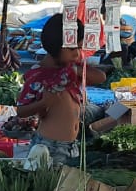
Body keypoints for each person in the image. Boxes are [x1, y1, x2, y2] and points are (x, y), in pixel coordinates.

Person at [16, 14, 106, 163]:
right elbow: (21, 111)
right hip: (49, 147)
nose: (77, 53)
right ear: (54, 46)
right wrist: (43, 104)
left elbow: (101, 77)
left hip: (71, 146)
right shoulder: (38, 76)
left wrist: (77, 69)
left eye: (79, 47)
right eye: (71, 49)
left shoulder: (71, 70)